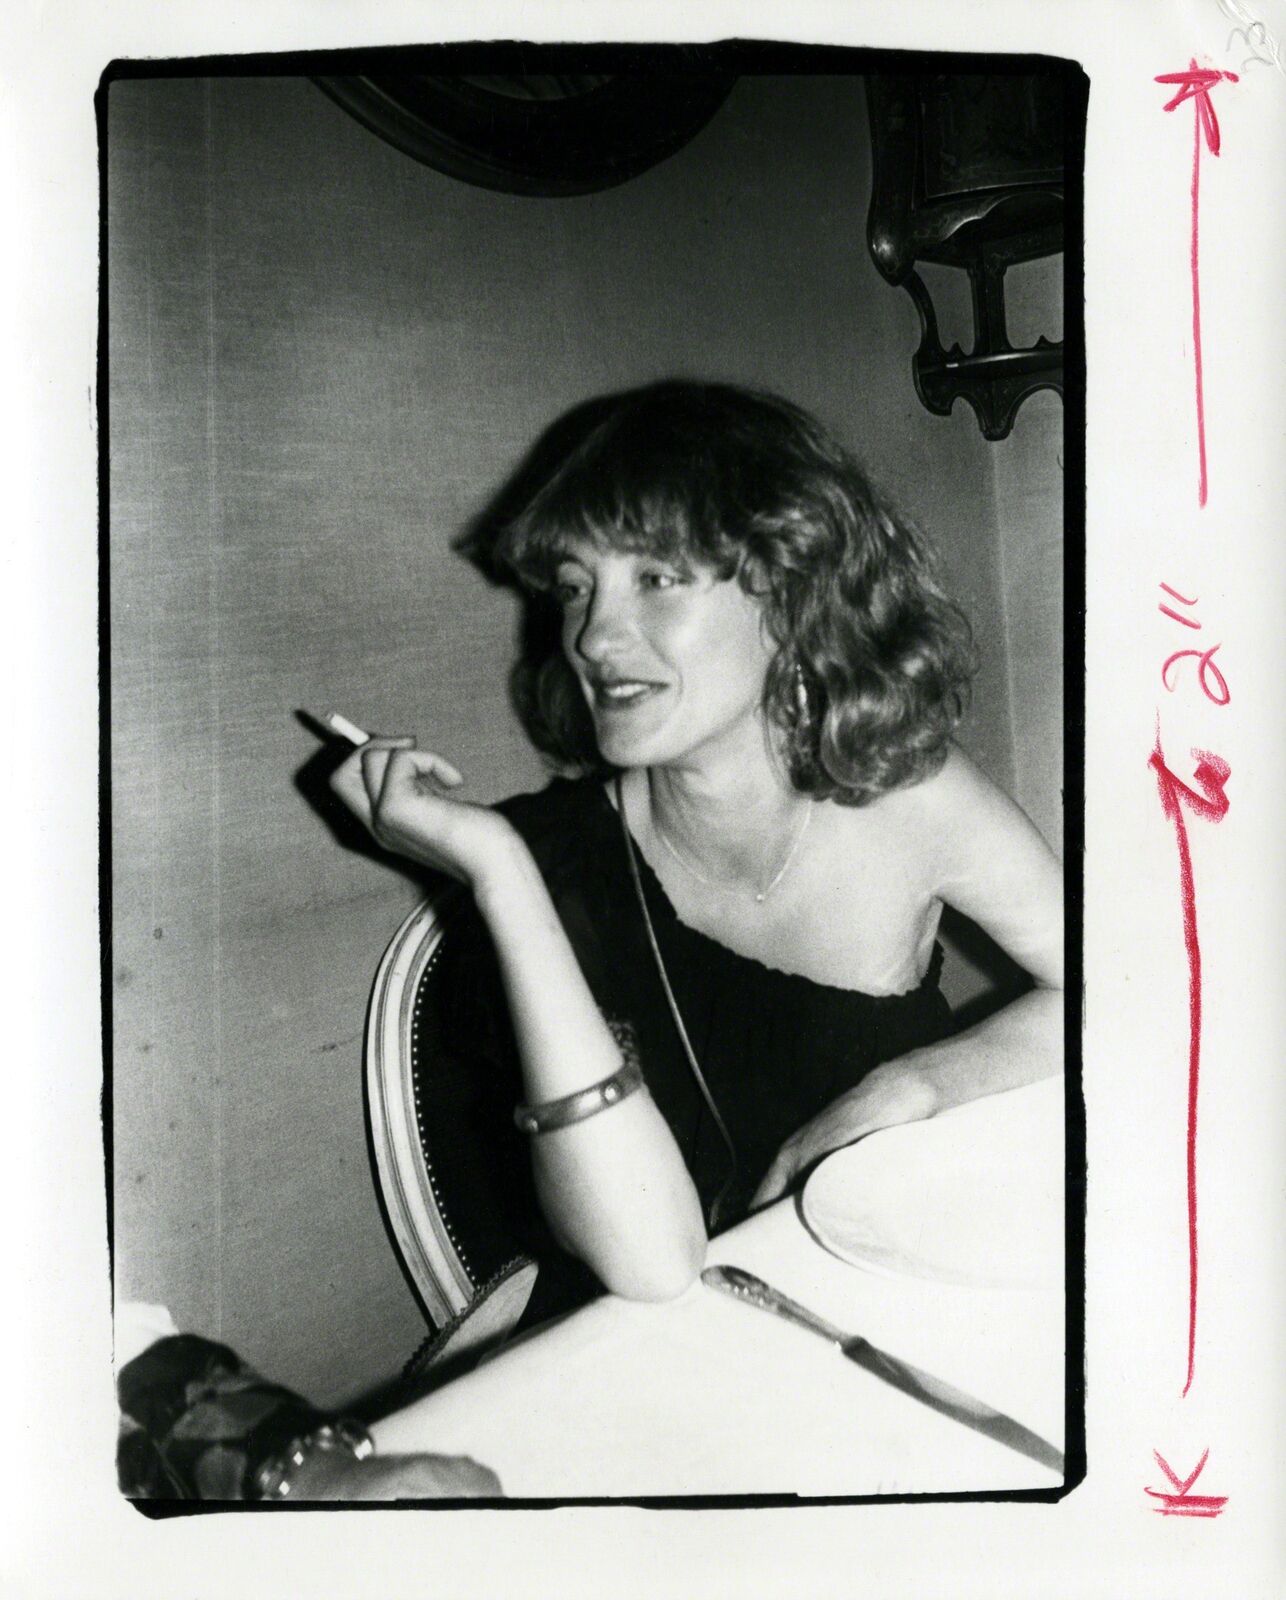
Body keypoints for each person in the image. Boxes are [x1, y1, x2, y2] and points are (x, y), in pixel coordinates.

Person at [330, 380, 1063, 1309]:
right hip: (660, 1339)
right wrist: (503, 874)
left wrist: (909, 1087)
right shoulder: (555, 864)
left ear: (792, 591)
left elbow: (1127, 995)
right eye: (576, 588)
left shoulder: (912, 800)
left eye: (657, 579)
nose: (594, 636)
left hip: (880, 1299)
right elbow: (650, 1268)